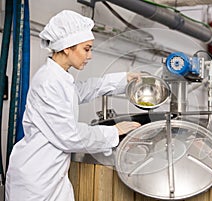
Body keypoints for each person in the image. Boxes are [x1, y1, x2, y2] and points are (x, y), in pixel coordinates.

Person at [5, 10, 141, 201]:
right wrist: (114, 131)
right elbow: (70, 136)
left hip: (51, 174)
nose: (90, 55)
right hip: (36, 179)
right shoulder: (49, 81)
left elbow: (83, 90)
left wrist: (123, 79)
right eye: (86, 49)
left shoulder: (59, 77)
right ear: (67, 47)